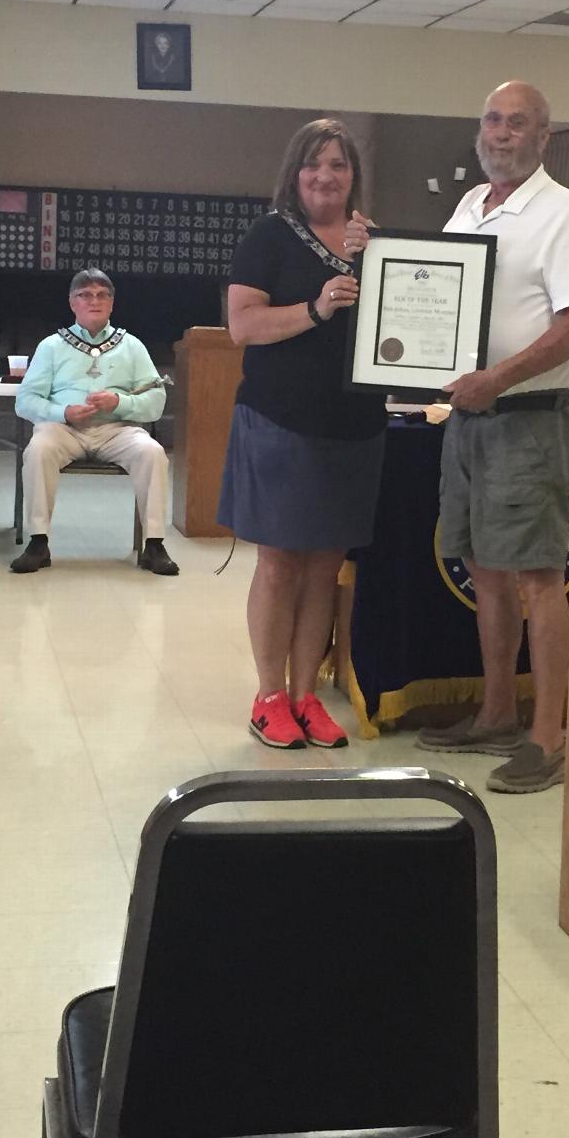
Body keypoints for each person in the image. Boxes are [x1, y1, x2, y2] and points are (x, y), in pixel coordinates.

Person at [416, 81, 569, 793]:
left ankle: (548, 734)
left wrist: (496, 378)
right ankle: (497, 711)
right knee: (484, 569)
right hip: (467, 420)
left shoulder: (565, 211)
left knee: (536, 579)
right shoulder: (471, 205)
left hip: (528, 422)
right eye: (492, 119)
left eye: (516, 123)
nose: (500, 133)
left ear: (543, 136)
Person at [219, 118, 385, 752]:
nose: (326, 175)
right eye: (315, 164)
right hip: (281, 424)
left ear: (353, 176)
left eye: (339, 165)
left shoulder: (376, 243)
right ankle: (268, 696)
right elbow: (243, 326)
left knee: (325, 568)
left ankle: (305, 695)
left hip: (355, 426)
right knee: (282, 562)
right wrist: (316, 309)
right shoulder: (268, 236)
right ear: (295, 173)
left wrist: (380, 258)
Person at [11, 268, 177, 575]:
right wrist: (63, 412)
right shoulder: (51, 346)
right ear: (72, 303)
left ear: (112, 303)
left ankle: (154, 544)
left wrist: (120, 403)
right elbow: (25, 401)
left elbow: (156, 402)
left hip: (117, 429)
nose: (94, 301)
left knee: (152, 452)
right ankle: (38, 540)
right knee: (39, 450)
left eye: (102, 295)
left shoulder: (132, 346)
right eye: (85, 295)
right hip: (63, 429)